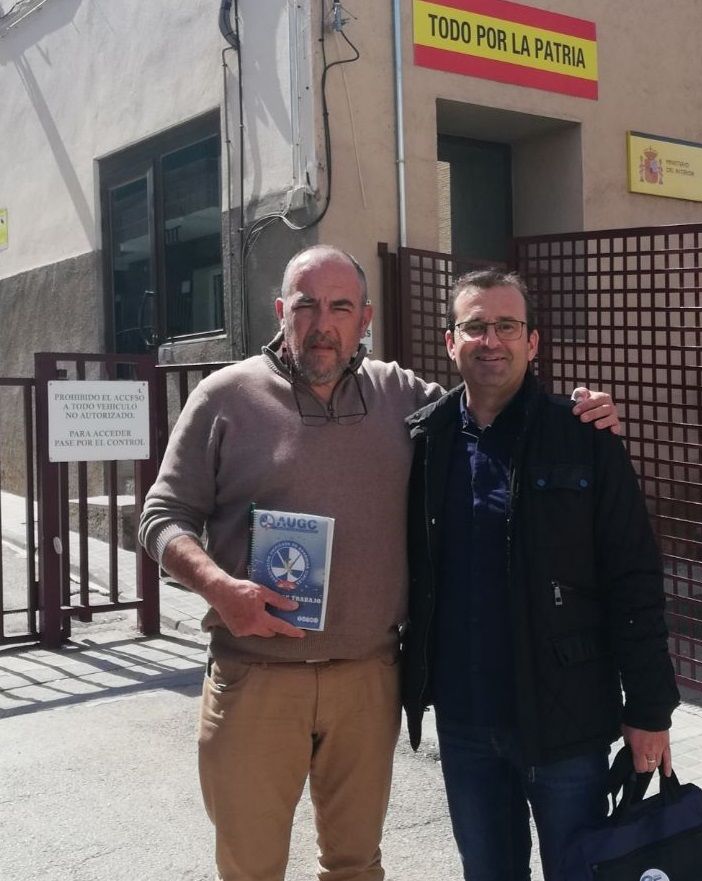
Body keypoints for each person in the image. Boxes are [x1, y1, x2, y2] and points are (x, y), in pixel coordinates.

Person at [137, 245, 622, 881]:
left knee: (356, 866)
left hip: (366, 682)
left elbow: (489, 400)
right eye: (306, 305)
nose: (322, 322)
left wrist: (584, 413)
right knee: (250, 869)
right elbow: (160, 516)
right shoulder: (224, 397)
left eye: (341, 307)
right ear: (282, 311)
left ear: (365, 318)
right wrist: (218, 587)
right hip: (256, 679)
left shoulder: (402, 398)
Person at [402, 269, 681, 881]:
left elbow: (633, 575)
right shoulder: (427, 441)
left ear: (534, 342)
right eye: (475, 326)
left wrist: (651, 708)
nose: (491, 340)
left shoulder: (584, 435)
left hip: (566, 725)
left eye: (507, 325)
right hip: (467, 721)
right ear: (451, 342)